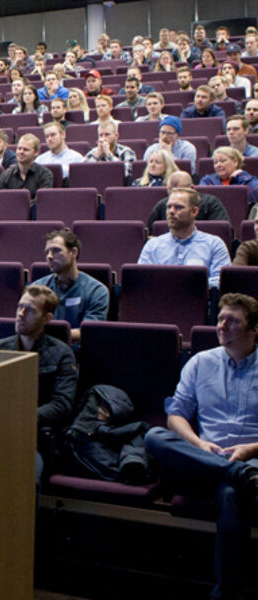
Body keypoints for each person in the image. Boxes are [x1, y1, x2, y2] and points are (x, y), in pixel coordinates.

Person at [144, 293, 258, 600]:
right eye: (220, 319)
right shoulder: (200, 362)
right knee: (154, 437)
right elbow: (176, 415)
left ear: (253, 329)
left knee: (232, 493)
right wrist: (198, 443)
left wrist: (249, 449)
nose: (222, 326)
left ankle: (226, 593)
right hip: (204, 456)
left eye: (233, 321)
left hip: (253, 458)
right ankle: (235, 472)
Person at [0, 285, 78, 486]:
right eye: (20, 307)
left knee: (25, 476)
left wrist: (20, 418)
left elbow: (62, 404)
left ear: (47, 318)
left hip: (33, 436)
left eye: (30, 310)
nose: (20, 314)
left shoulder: (62, 353)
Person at [138, 187, 230, 288]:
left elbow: (221, 280)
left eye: (178, 207)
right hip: (160, 301)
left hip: (199, 301)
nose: (171, 211)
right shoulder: (153, 245)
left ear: (194, 211)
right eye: (169, 207)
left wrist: (182, 286)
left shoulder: (214, 244)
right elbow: (141, 280)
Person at [31, 230, 109, 342]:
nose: (49, 256)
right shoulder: (37, 288)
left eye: (56, 250)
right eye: (47, 252)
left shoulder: (97, 291)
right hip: (43, 349)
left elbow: (89, 331)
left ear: (74, 252)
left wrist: (47, 334)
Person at [147, 171, 230, 230]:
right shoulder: (163, 205)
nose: (172, 210)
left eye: (180, 192)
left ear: (192, 188)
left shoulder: (210, 203)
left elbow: (222, 230)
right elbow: (151, 232)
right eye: (171, 193)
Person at [0, 134, 53, 199]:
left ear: (36, 152)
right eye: (19, 148)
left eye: (25, 149)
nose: (21, 152)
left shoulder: (45, 174)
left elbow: (43, 199)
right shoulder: (6, 175)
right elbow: (1, 199)